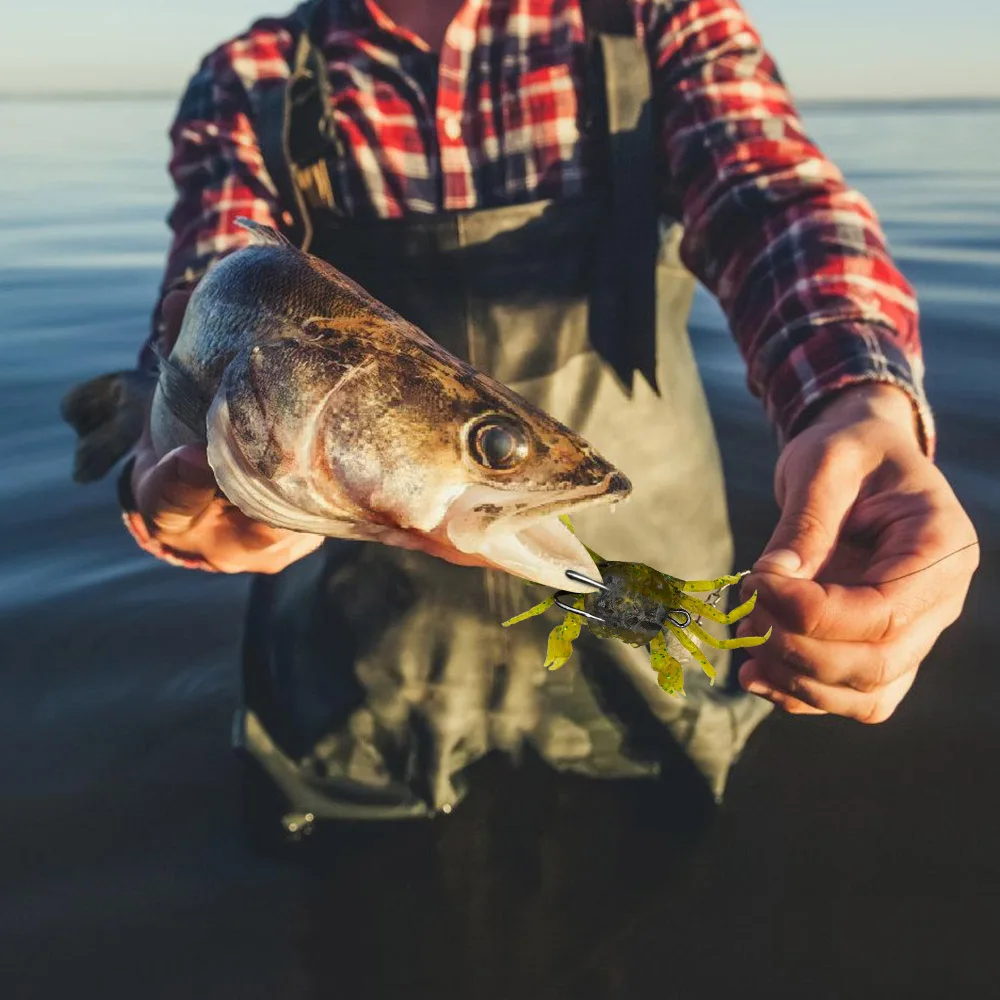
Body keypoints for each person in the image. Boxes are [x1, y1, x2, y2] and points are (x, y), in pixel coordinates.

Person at [119, 0, 977, 829]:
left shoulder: (658, 16)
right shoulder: (252, 74)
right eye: (493, 446)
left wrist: (856, 403)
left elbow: (773, 204)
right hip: (360, 651)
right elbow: (207, 289)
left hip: (641, 628)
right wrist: (186, 484)